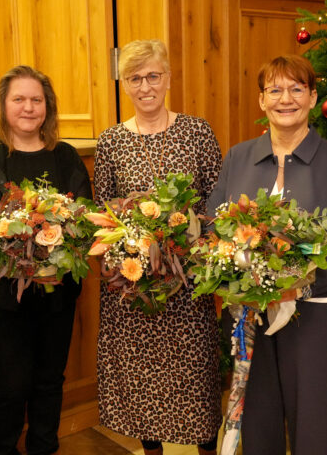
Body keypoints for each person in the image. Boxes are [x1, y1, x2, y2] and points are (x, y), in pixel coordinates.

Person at [207, 55, 327, 454]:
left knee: (311, 426)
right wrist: (239, 277)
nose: (285, 98)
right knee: (258, 425)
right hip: (248, 314)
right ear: (261, 101)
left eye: (296, 88)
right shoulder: (238, 157)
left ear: (313, 97)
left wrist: (294, 285)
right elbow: (214, 226)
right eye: (274, 90)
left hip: (314, 310)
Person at [0, 65, 91, 455]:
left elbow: (85, 218)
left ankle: (44, 448)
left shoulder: (64, 157)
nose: (29, 107)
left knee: (50, 381)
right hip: (1, 300)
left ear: (47, 106)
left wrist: (58, 245)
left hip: (56, 295)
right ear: (2, 106)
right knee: (11, 388)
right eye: (19, 99)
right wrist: (11, 251)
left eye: (37, 99)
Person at [94, 39, 223, 455]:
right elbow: (103, 212)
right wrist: (132, 246)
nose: (145, 86)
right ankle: (151, 451)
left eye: (153, 75)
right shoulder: (111, 141)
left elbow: (216, 201)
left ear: (168, 78)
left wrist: (187, 236)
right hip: (134, 288)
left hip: (187, 287)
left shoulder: (197, 130)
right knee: (141, 376)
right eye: (135, 78)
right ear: (124, 85)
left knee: (194, 376)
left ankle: (207, 449)